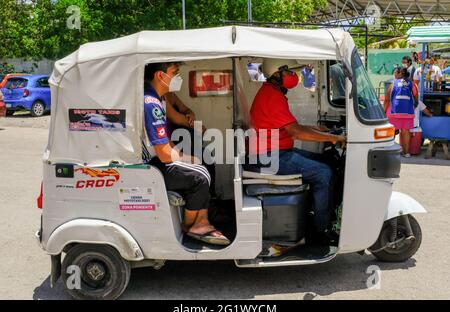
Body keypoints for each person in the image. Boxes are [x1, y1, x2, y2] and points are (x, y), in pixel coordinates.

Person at [249, 59, 346, 245]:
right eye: (287, 71)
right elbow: (296, 132)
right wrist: (335, 138)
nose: (292, 76)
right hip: (271, 157)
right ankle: (320, 231)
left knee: (328, 161)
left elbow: (291, 127)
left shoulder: (272, 93)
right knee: (323, 173)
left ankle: (319, 213)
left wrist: (319, 130)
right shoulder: (272, 96)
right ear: (276, 74)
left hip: (277, 152)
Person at [142, 62, 230, 245]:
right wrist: (188, 159)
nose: (177, 78)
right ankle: (191, 225)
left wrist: (186, 157)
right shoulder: (151, 103)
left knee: (202, 165)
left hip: (156, 158)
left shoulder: (156, 98)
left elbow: (166, 142)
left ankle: (202, 220)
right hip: (150, 165)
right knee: (199, 176)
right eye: (174, 73)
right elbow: (165, 154)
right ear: (160, 75)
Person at [384, 67, 418, 157]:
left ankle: (390, 152)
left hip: (394, 112)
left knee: (391, 131)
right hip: (408, 112)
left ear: (400, 74)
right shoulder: (412, 84)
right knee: (405, 131)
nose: (394, 75)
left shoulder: (393, 83)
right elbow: (416, 98)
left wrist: (383, 111)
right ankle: (406, 153)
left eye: (395, 73)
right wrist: (412, 107)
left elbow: (387, 99)